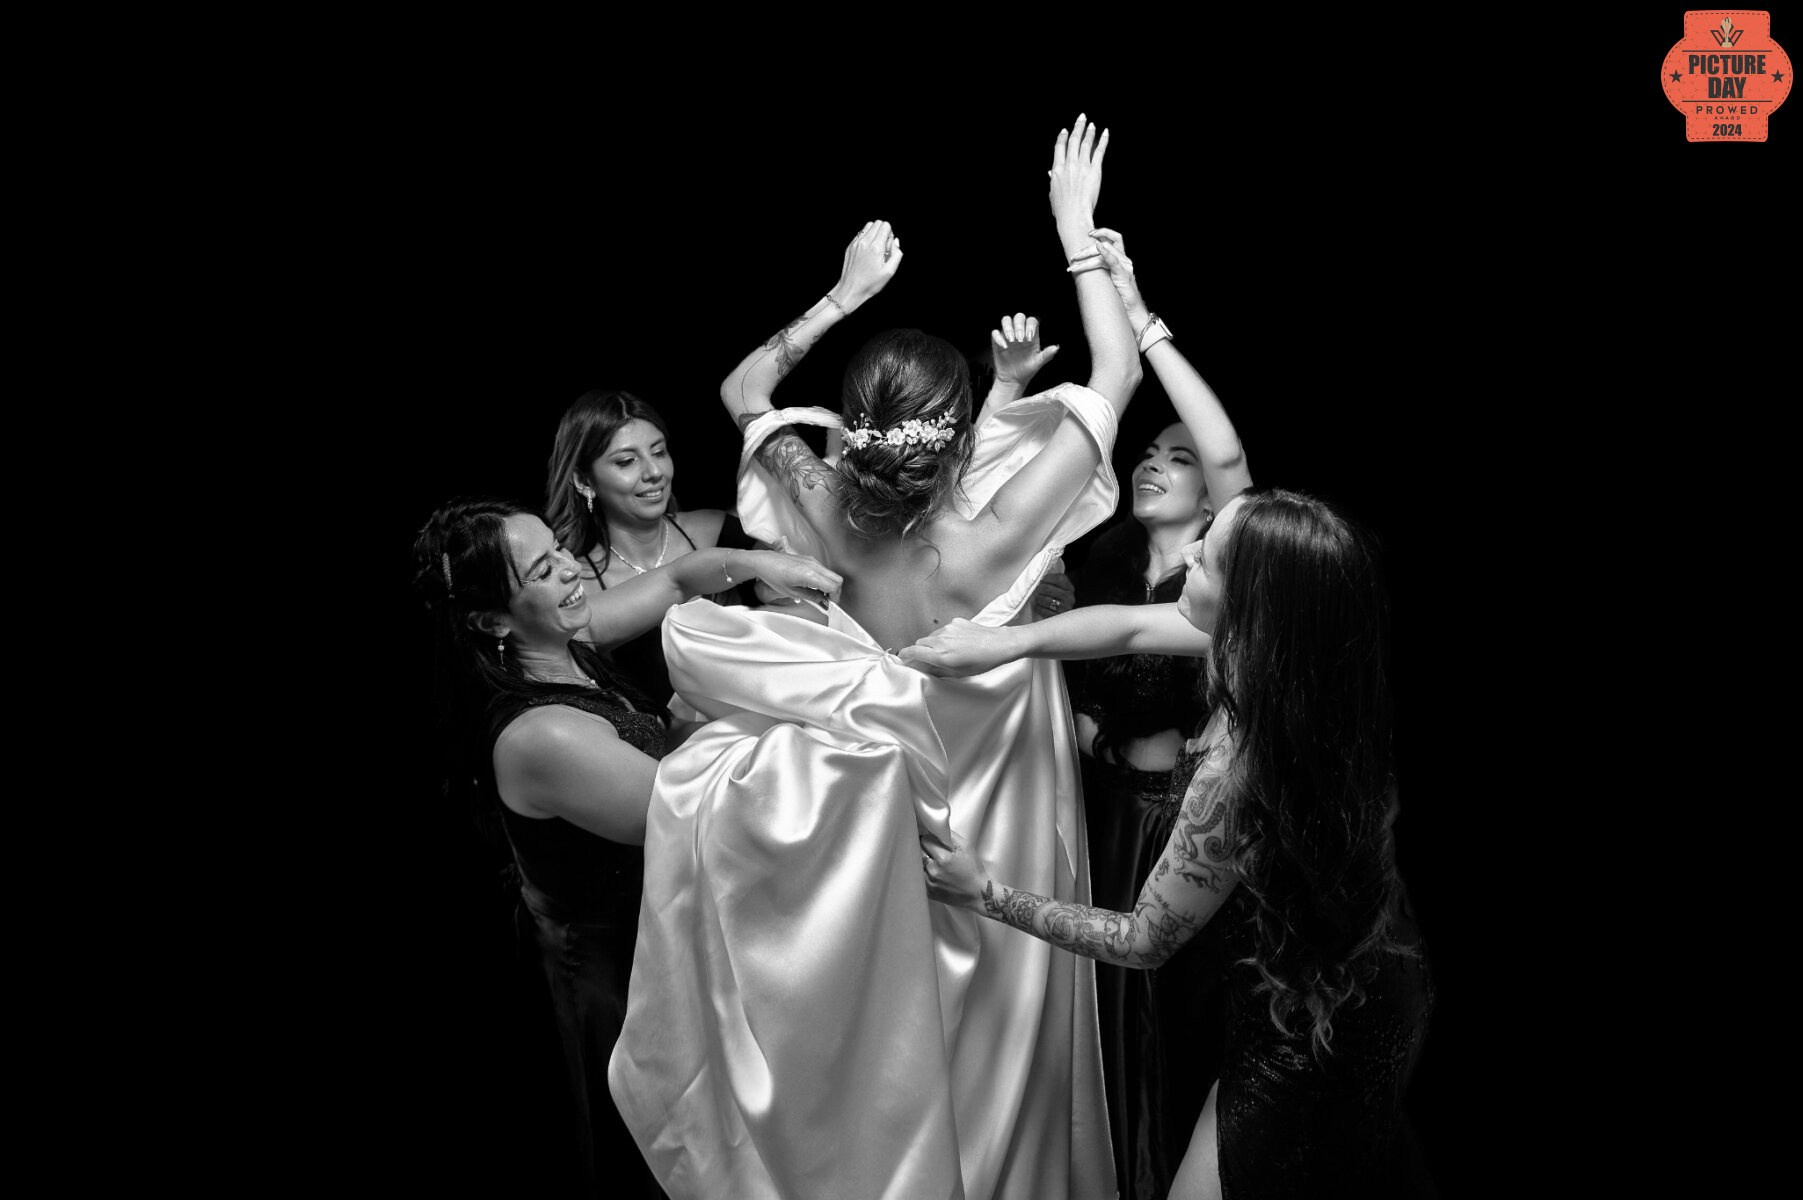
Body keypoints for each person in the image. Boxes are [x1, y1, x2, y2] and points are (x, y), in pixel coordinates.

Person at [610, 115, 1139, 1200]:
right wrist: (1076, 232)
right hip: (1000, 835)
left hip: (890, 831)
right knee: (1006, 1040)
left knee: (913, 1040)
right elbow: (1119, 367)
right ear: (953, 441)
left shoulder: (820, 507)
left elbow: (743, 393)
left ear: (858, 430)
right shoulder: (991, 542)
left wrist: (842, 298)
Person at [909, 489, 1435, 1200]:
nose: (1188, 554)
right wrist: (1007, 641)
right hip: (1374, 980)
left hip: (1307, 1033)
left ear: (1250, 604)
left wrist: (984, 893)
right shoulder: (1300, 657)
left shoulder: (1235, 772)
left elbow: (1140, 941)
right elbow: (1127, 629)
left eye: (1209, 559)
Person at [412, 498, 839, 1198]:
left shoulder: (563, 637)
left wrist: (766, 563)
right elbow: (693, 815)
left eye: (560, 549)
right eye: (543, 570)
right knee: (658, 1159)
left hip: (660, 930)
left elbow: (675, 581)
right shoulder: (539, 736)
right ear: (492, 621)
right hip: (615, 977)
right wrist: (752, 722)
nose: (574, 570)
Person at [1062, 230, 1255, 1199]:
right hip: (1101, 820)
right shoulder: (1096, 567)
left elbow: (1223, 450)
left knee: (1178, 1025)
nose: (1155, 466)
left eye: (1172, 461)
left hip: (1190, 825)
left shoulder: (1224, 570)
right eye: (1145, 455)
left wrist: (1142, 324)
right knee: (1101, 1028)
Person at [543, 389, 767, 706]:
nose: (654, 473)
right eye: (626, 461)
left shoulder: (717, 532)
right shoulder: (579, 588)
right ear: (584, 481)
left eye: (659, 452)